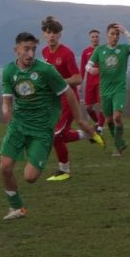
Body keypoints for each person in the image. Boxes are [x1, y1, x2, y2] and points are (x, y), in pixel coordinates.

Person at [0, 32, 100, 219]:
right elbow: (6, 99)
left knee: (30, 177)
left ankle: (79, 134)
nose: (30, 54)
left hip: (42, 130)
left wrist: (80, 119)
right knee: (5, 167)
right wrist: (6, 109)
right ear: (16, 50)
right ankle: (17, 208)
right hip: (18, 125)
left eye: (33, 49)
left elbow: (68, 92)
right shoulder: (8, 71)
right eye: (26, 49)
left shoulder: (46, 70)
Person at [41, 16, 107, 181]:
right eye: (48, 33)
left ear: (60, 35)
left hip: (68, 99)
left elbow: (77, 78)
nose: (52, 36)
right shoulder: (45, 52)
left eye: (55, 33)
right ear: (44, 34)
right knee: (58, 135)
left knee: (55, 135)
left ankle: (65, 171)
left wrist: (58, 82)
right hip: (54, 100)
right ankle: (88, 134)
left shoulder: (67, 53)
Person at [87, 23, 130, 156]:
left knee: (116, 117)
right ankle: (120, 143)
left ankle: (117, 147)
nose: (115, 37)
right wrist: (91, 69)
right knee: (109, 120)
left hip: (119, 89)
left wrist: (126, 32)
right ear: (107, 35)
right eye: (112, 34)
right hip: (104, 90)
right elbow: (88, 65)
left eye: (117, 34)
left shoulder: (123, 49)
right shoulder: (99, 50)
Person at [80, 28, 105, 133]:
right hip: (90, 84)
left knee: (101, 106)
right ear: (90, 39)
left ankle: (100, 128)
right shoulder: (86, 52)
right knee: (88, 107)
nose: (95, 39)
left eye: (97, 37)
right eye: (93, 37)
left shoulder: (104, 50)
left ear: (99, 38)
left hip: (102, 82)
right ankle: (98, 123)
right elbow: (82, 68)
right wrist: (80, 83)